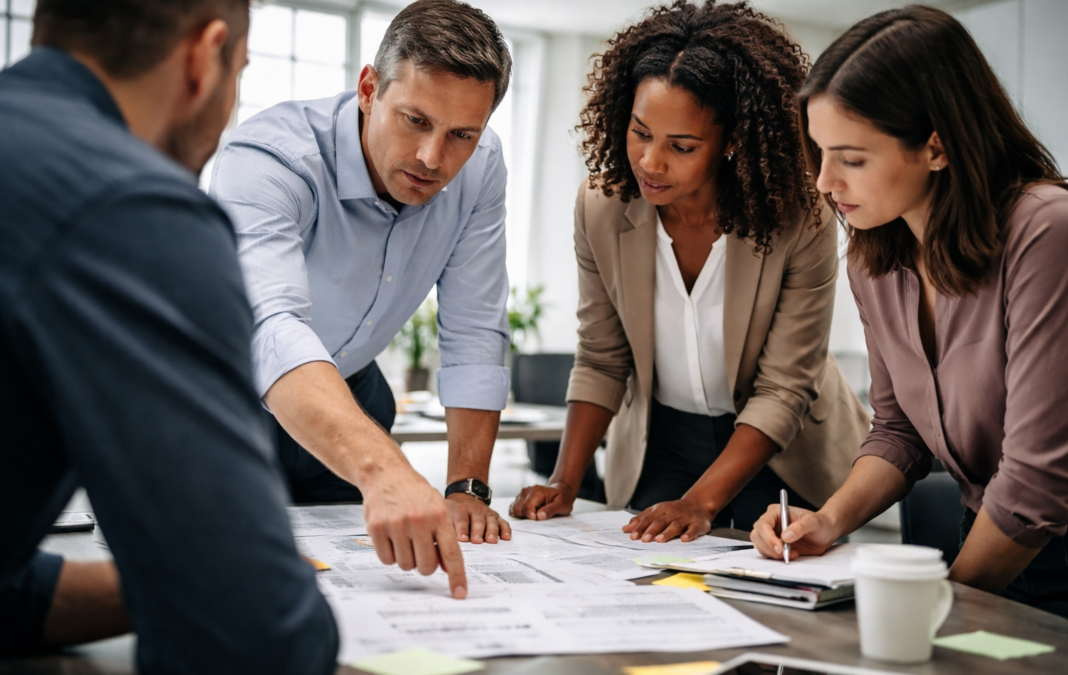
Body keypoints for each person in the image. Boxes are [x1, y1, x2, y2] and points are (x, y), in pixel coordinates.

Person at [0, 0, 342, 670]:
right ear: (203, 57)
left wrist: (166, 579)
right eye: (240, 69)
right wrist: (236, 583)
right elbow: (250, 637)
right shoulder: (131, 206)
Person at [750, 6, 1068, 618]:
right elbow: (899, 432)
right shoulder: (874, 257)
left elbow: (1036, 482)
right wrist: (827, 519)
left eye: (852, 158)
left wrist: (940, 605)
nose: (822, 182)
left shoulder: (1044, 230)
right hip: (987, 546)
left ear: (938, 147)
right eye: (819, 152)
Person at [511, 0, 870, 541]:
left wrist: (702, 502)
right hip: (662, 439)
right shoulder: (602, 207)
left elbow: (783, 388)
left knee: (774, 600)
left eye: (681, 146)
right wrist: (565, 480)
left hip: (781, 447)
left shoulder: (801, 216)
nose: (651, 162)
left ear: (731, 144)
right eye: (639, 132)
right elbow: (603, 358)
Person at [209, 0, 513, 576]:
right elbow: (270, 326)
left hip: (354, 396)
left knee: (359, 577)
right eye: (416, 120)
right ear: (370, 88)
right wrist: (385, 469)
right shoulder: (270, 158)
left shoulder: (482, 164)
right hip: (226, 401)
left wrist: (466, 486)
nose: (433, 158)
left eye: (462, 134)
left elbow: (474, 327)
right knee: (240, 579)